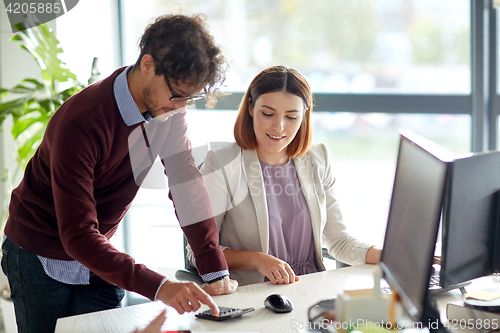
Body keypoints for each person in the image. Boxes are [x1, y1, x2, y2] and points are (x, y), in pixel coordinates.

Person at [1, 14, 238, 333]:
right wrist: (161, 287)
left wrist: (215, 271)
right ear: (148, 65)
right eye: (177, 94)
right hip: (38, 251)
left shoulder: (169, 113)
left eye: (190, 98)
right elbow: (77, 234)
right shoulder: (82, 121)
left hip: (96, 246)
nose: (182, 106)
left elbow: (186, 185)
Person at [187, 65, 382, 286]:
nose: (278, 126)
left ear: (304, 116)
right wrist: (257, 260)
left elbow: (339, 241)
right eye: (268, 114)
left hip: (312, 287)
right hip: (257, 292)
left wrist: (390, 257)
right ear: (251, 108)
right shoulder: (221, 163)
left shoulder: (318, 158)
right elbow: (198, 252)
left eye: (291, 117)